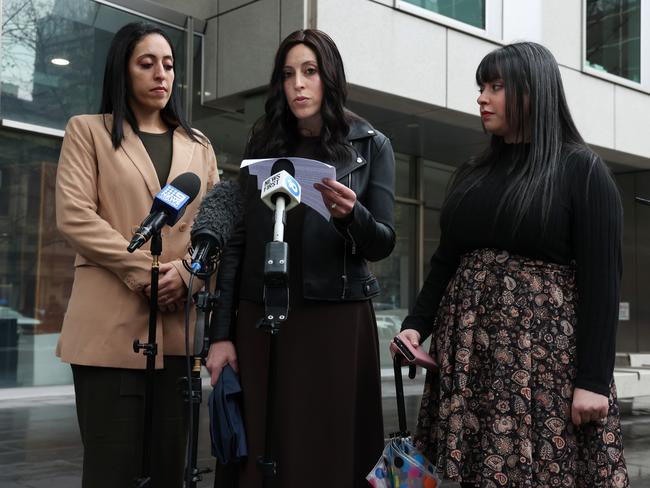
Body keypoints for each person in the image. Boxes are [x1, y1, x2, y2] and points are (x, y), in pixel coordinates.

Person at [395, 41, 629, 487]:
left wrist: (594, 381)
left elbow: (603, 285)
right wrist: (415, 324)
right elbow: (446, 260)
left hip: (541, 366)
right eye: (482, 86)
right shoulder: (472, 172)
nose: (482, 97)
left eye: (496, 86)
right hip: (470, 362)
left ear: (533, 91)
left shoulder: (581, 170)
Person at [206, 29, 396, 488]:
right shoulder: (263, 142)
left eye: (310, 72)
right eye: (288, 74)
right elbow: (238, 242)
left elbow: (383, 242)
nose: (299, 85)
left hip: (334, 322)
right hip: (262, 319)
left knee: (327, 451)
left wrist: (352, 215)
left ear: (329, 78)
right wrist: (220, 335)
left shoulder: (371, 145)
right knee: (266, 448)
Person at [55, 22, 218, 488]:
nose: (160, 74)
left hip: (176, 335)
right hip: (107, 332)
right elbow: (75, 217)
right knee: (112, 472)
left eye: (168, 65)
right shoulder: (88, 132)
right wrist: (145, 272)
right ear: (122, 71)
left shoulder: (200, 146)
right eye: (146, 64)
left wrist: (190, 276)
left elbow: (219, 231)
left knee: (171, 471)